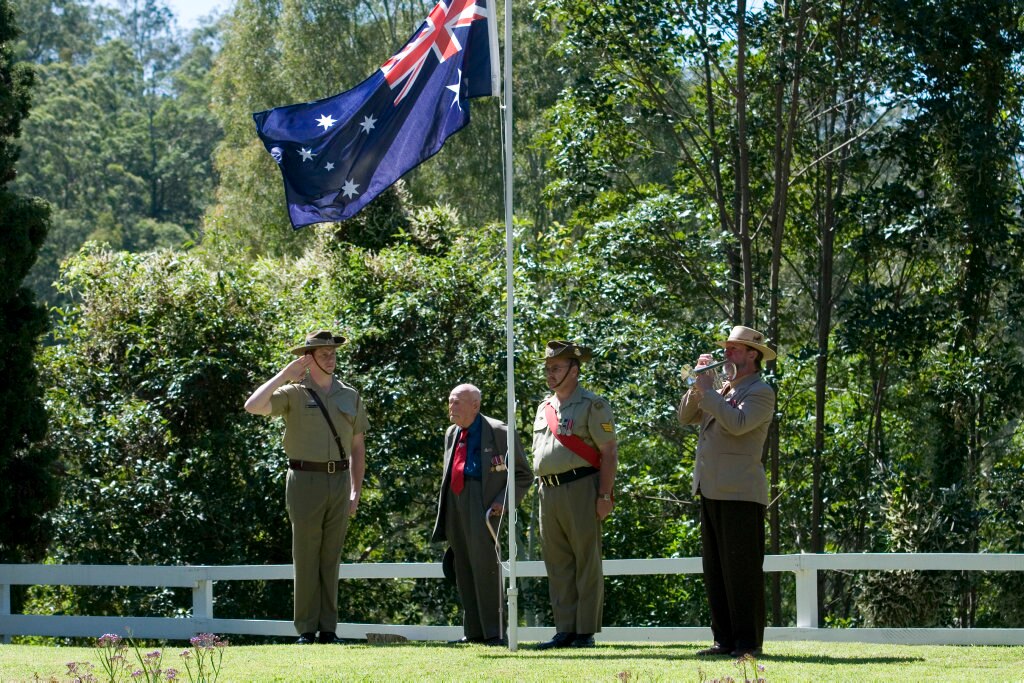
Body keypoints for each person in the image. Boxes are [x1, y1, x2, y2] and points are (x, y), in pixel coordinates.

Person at [244, 330, 368, 645]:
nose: (331, 358)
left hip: (339, 481)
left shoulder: (349, 395)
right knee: (306, 556)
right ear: (308, 359)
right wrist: (284, 374)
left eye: (333, 352)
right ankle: (306, 630)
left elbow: (357, 446)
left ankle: (329, 630)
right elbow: (253, 406)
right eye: (323, 353)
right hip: (304, 480)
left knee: (331, 557)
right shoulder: (293, 393)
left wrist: (356, 488)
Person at [677, 325, 776, 658]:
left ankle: (748, 643)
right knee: (716, 569)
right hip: (711, 489)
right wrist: (697, 385)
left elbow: (738, 424)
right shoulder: (721, 391)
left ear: (753, 355)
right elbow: (684, 417)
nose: (726, 355)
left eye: (734, 349)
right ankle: (724, 640)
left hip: (741, 492)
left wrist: (710, 394)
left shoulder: (761, 391)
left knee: (742, 571)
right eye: (726, 349)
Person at [431, 383, 533, 646]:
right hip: (455, 502)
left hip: (484, 504)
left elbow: (522, 475)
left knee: (486, 569)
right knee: (462, 567)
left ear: (475, 405)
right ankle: (473, 633)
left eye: (457, 402)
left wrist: (503, 502)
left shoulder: (499, 431)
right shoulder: (451, 433)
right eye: (450, 401)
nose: (451, 407)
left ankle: (495, 634)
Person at [532, 340, 618, 650]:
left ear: (574, 370)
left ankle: (584, 631)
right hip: (548, 491)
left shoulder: (592, 404)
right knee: (557, 563)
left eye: (555, 368)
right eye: (547, 369)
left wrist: (605, 495)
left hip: (582, 487)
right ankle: (564, 629)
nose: (550, 374)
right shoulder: (544, 408)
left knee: (586, 560)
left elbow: (608, 452)